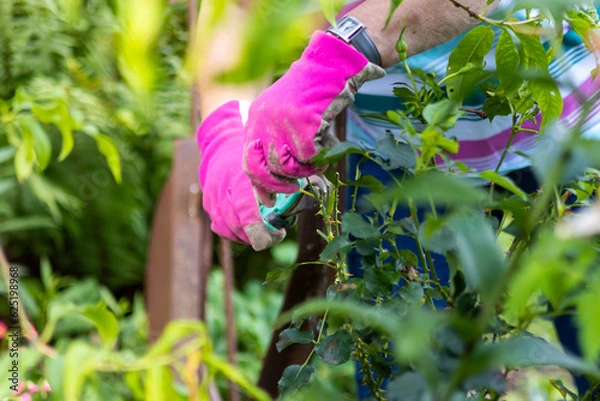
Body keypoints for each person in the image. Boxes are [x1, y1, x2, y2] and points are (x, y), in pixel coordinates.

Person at [196, 0, 599, 397]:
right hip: (398, 150)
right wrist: (226, 132)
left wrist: (346, 49)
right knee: (406, 376)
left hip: (575, 121)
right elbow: (237, 11)